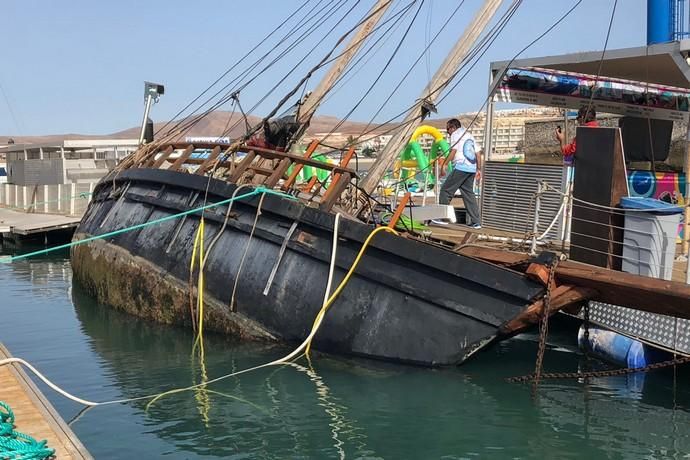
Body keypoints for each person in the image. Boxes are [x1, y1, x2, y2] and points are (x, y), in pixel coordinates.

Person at [432, 118, 481, 228]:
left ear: (453, 128)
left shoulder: (455, 134)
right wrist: (479, 169)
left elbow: (453, 151)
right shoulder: (469, 135)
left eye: (448, 129)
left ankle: (442, 217)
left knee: (445, 190)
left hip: (461, 167)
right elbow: (478, 154)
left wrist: (444, 165)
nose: (447, 132)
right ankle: (476, 221)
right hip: (472, 168)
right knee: (468, 194)